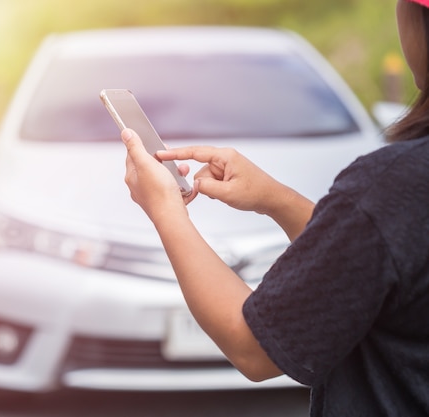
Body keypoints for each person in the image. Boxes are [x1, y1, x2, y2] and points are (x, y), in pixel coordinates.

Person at [119, 1, 429, 415]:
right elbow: (382, 260)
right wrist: (276, 200)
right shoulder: (394, 193)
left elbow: (253, 347)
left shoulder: (395, 182)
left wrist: (165, 211)